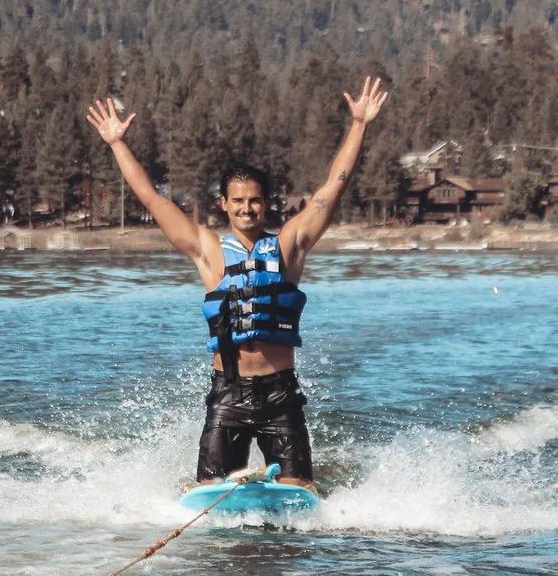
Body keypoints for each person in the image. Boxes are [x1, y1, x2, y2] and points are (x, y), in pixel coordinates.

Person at [85, 77, 389, 490]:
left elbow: (331, 190)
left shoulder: (289, 245)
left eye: (255, 200)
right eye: (239, 201)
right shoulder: (207, 249)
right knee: (208, 490)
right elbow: (153, 200)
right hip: (228, 396)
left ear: (266, 203)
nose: (248, 208)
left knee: (299, 489)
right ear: (224, 204)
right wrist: (118, 144)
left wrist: (359, 125)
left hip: (281, 396)